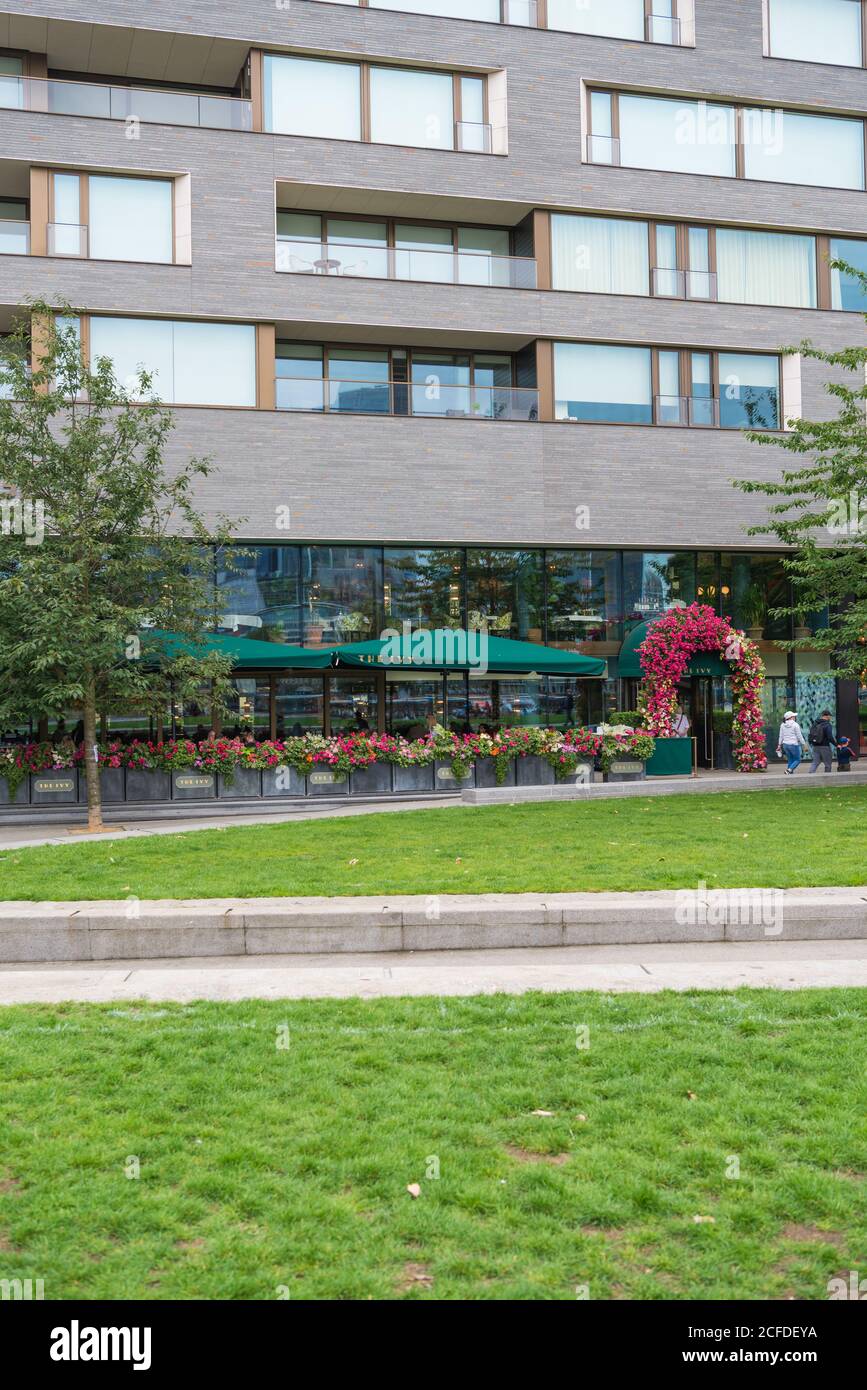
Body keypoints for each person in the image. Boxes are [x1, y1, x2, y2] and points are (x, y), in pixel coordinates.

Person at [776, 710, 807, 775]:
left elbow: (781, 736)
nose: (795, 717)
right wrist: (804, 744)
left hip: (785, 745)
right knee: (797, 760)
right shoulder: (795, 725)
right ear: (790, 717)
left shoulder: (782, 725)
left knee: (790, 759)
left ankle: (789, 773)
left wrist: (779, 745)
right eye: (794, 716)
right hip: (794, 744)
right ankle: (789, 770)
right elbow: (799, 736)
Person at [808, 710, 837, 774]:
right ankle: (827, 779)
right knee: (827, 763)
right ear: (827, 716)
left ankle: (810, 775)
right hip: (825, 746)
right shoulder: (827, 725)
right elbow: (830, 737)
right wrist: (836, 745)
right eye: (830, 716)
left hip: (815, 746)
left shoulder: (815, 723)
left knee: (815, 762)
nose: (830, 717)